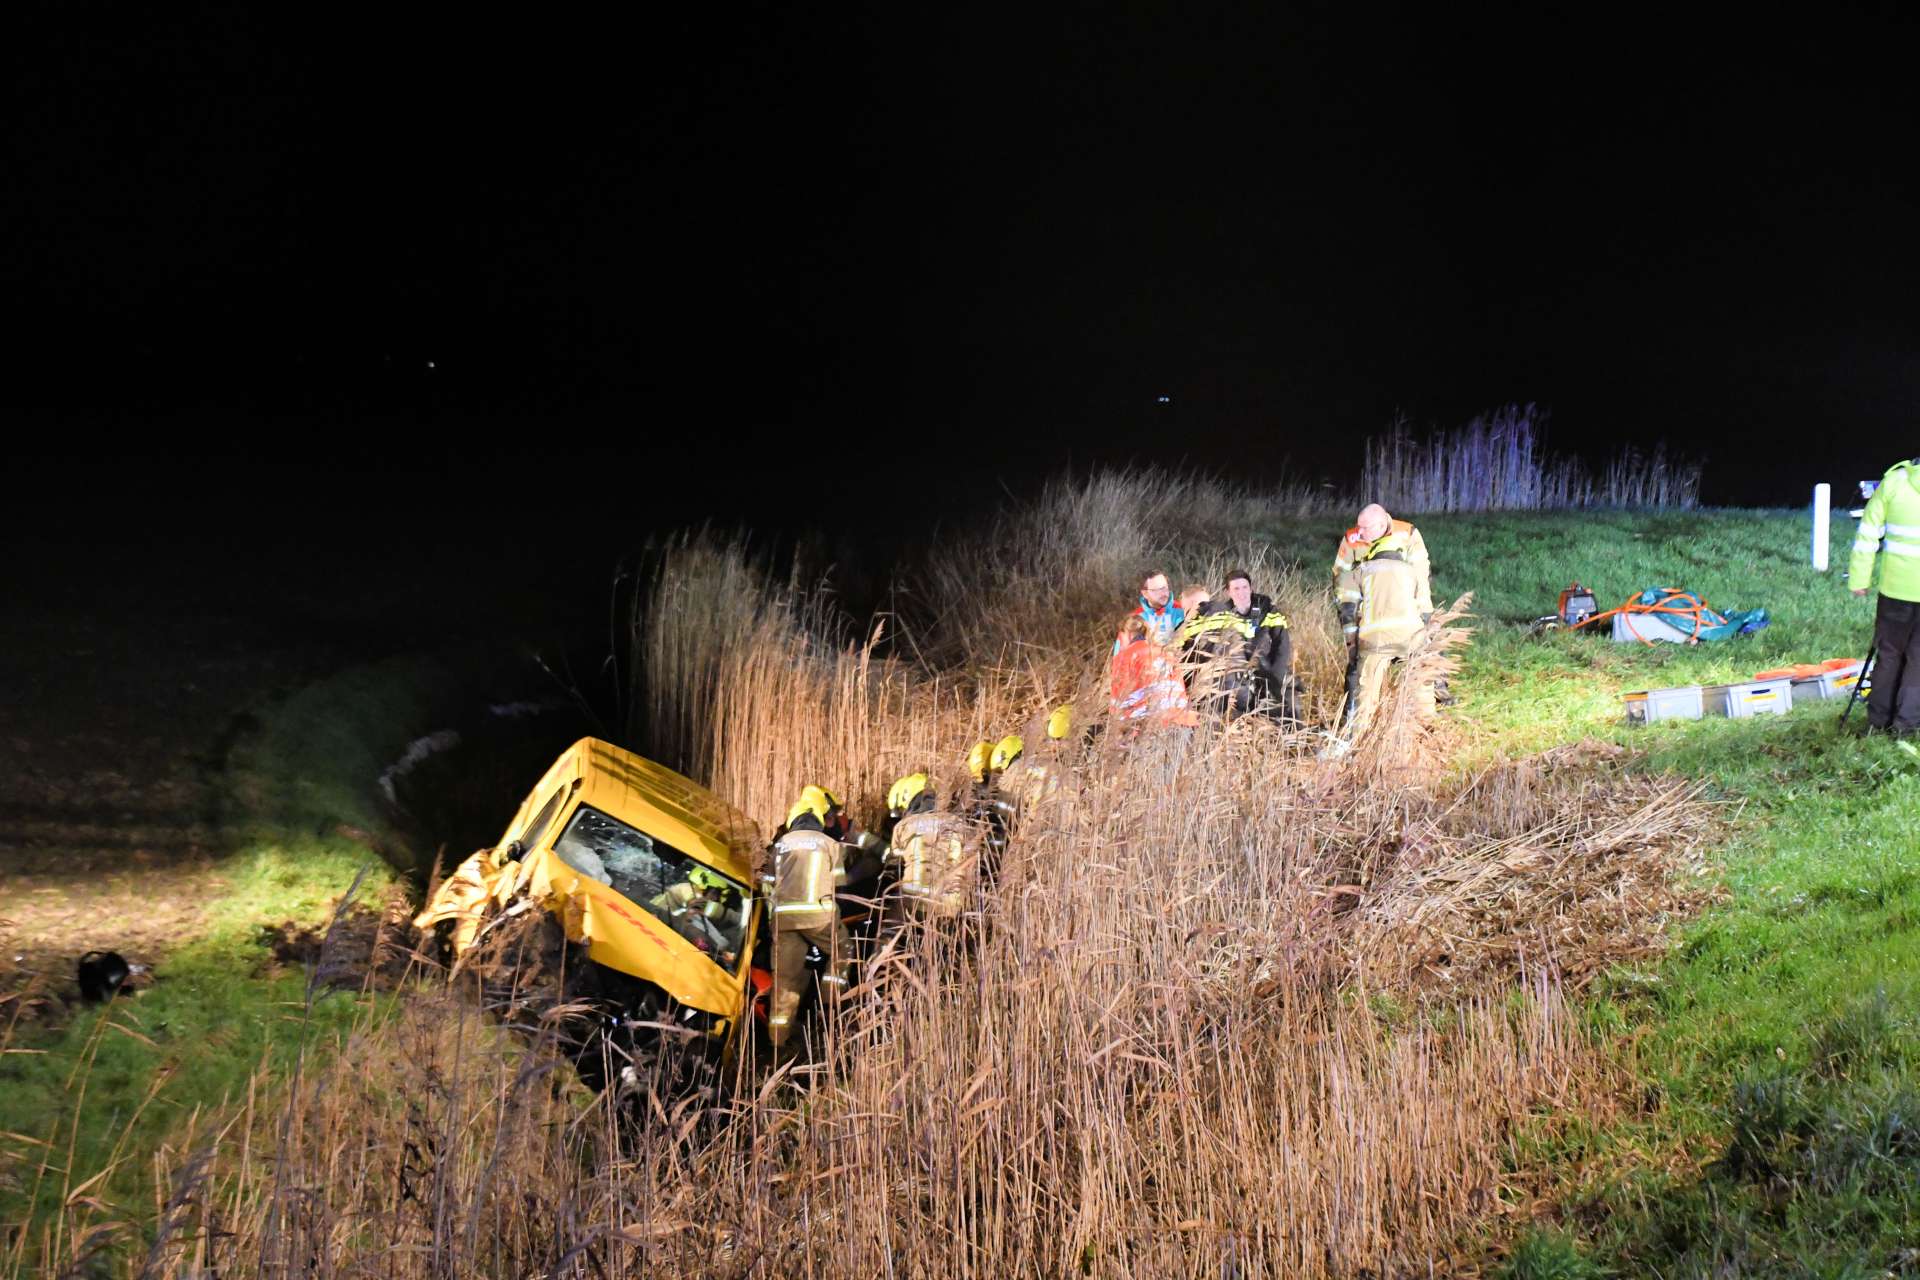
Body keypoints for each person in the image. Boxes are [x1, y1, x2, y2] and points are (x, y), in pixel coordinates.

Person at [763, 785, 879, 1047]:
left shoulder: (780, 844)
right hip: (818, 917)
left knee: (784, 982)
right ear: (820, 820)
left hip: (782, 920)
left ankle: (776, 1044)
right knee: (843, 949)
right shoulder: (829, 844)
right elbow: (840, 885)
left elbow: (767, 882)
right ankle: (830, 1008)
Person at [1334, 505, 1436, 717]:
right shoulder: (1354, 539)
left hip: (1377, 631)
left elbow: (1421, 573)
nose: (1359, 532)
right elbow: (1341, 574)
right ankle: (1427, 726)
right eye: (1358, 526)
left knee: (1365, 684)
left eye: (1365, 528)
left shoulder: (1406, 534)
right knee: (1422, 674)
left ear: (1381, 525)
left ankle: (1357, 729)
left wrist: (1350, 634)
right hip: (1395, 626)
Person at [1850, 456, 1920, 735]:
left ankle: (1877, 722)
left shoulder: (1894, 482)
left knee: (1890, 654)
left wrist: (1859, 578)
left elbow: (1868, 534)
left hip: (1896, 590)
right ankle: (1908, 725)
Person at [1179, 570, 1299, 723]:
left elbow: (1282, 645)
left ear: (1251, 588)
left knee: (1290, 706)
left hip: (1268, 669)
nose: (1241, 592)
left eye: (1244, 587)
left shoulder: (1267, 608)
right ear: (1228, 592)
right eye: (1236, 588)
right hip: (1241, 677)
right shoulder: (1225, 613)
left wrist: (1274, 680)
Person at [883, 773, 978, 919]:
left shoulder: (904, 826)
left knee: (888, 932)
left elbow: (894, 869)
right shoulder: (958, 823)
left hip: (913, 900)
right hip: (951, 902)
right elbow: (972, 863)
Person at [1110, 615, 1199, 734]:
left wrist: (1116, 724)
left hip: (1148, 725)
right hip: (1183, 720)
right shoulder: (1167, 653)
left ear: (1126, 633)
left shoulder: (1125, 655)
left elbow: (1119, 692)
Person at [1115, 569, 1185, 653]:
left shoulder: (1183, 611)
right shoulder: (1135, 619)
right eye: (1156, 590)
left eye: (1164, 587)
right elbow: (1120, 654)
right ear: (1145, 593)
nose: (1163, 593)